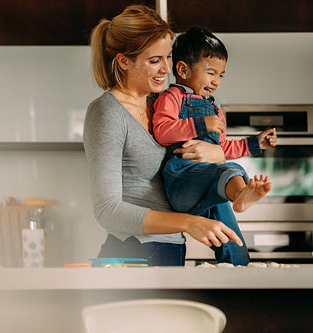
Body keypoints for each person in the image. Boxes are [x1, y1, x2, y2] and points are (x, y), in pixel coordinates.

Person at [84, 5, 244, 267]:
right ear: (124, 61)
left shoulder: (163, 104)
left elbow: (197, 157)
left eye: (168, 57)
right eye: (154, 60)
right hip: (131, 252)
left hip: (170, 248)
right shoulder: (107, 112)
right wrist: (188, 222)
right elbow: (107, 210)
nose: (167, 69)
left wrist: (216, 153)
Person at [152, 27, 277, 265]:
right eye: (211, 73)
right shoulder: (173, 96)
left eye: (221, 75)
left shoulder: (215, 109)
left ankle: (239, 268)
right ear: (182, 69)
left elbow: (223, 149)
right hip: (181, 177)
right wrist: (200, 124)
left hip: (208, 182)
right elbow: (162, 131)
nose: (216, 81)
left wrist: (254, 143)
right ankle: (241, 193)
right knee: (227, 170)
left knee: (228, 228)